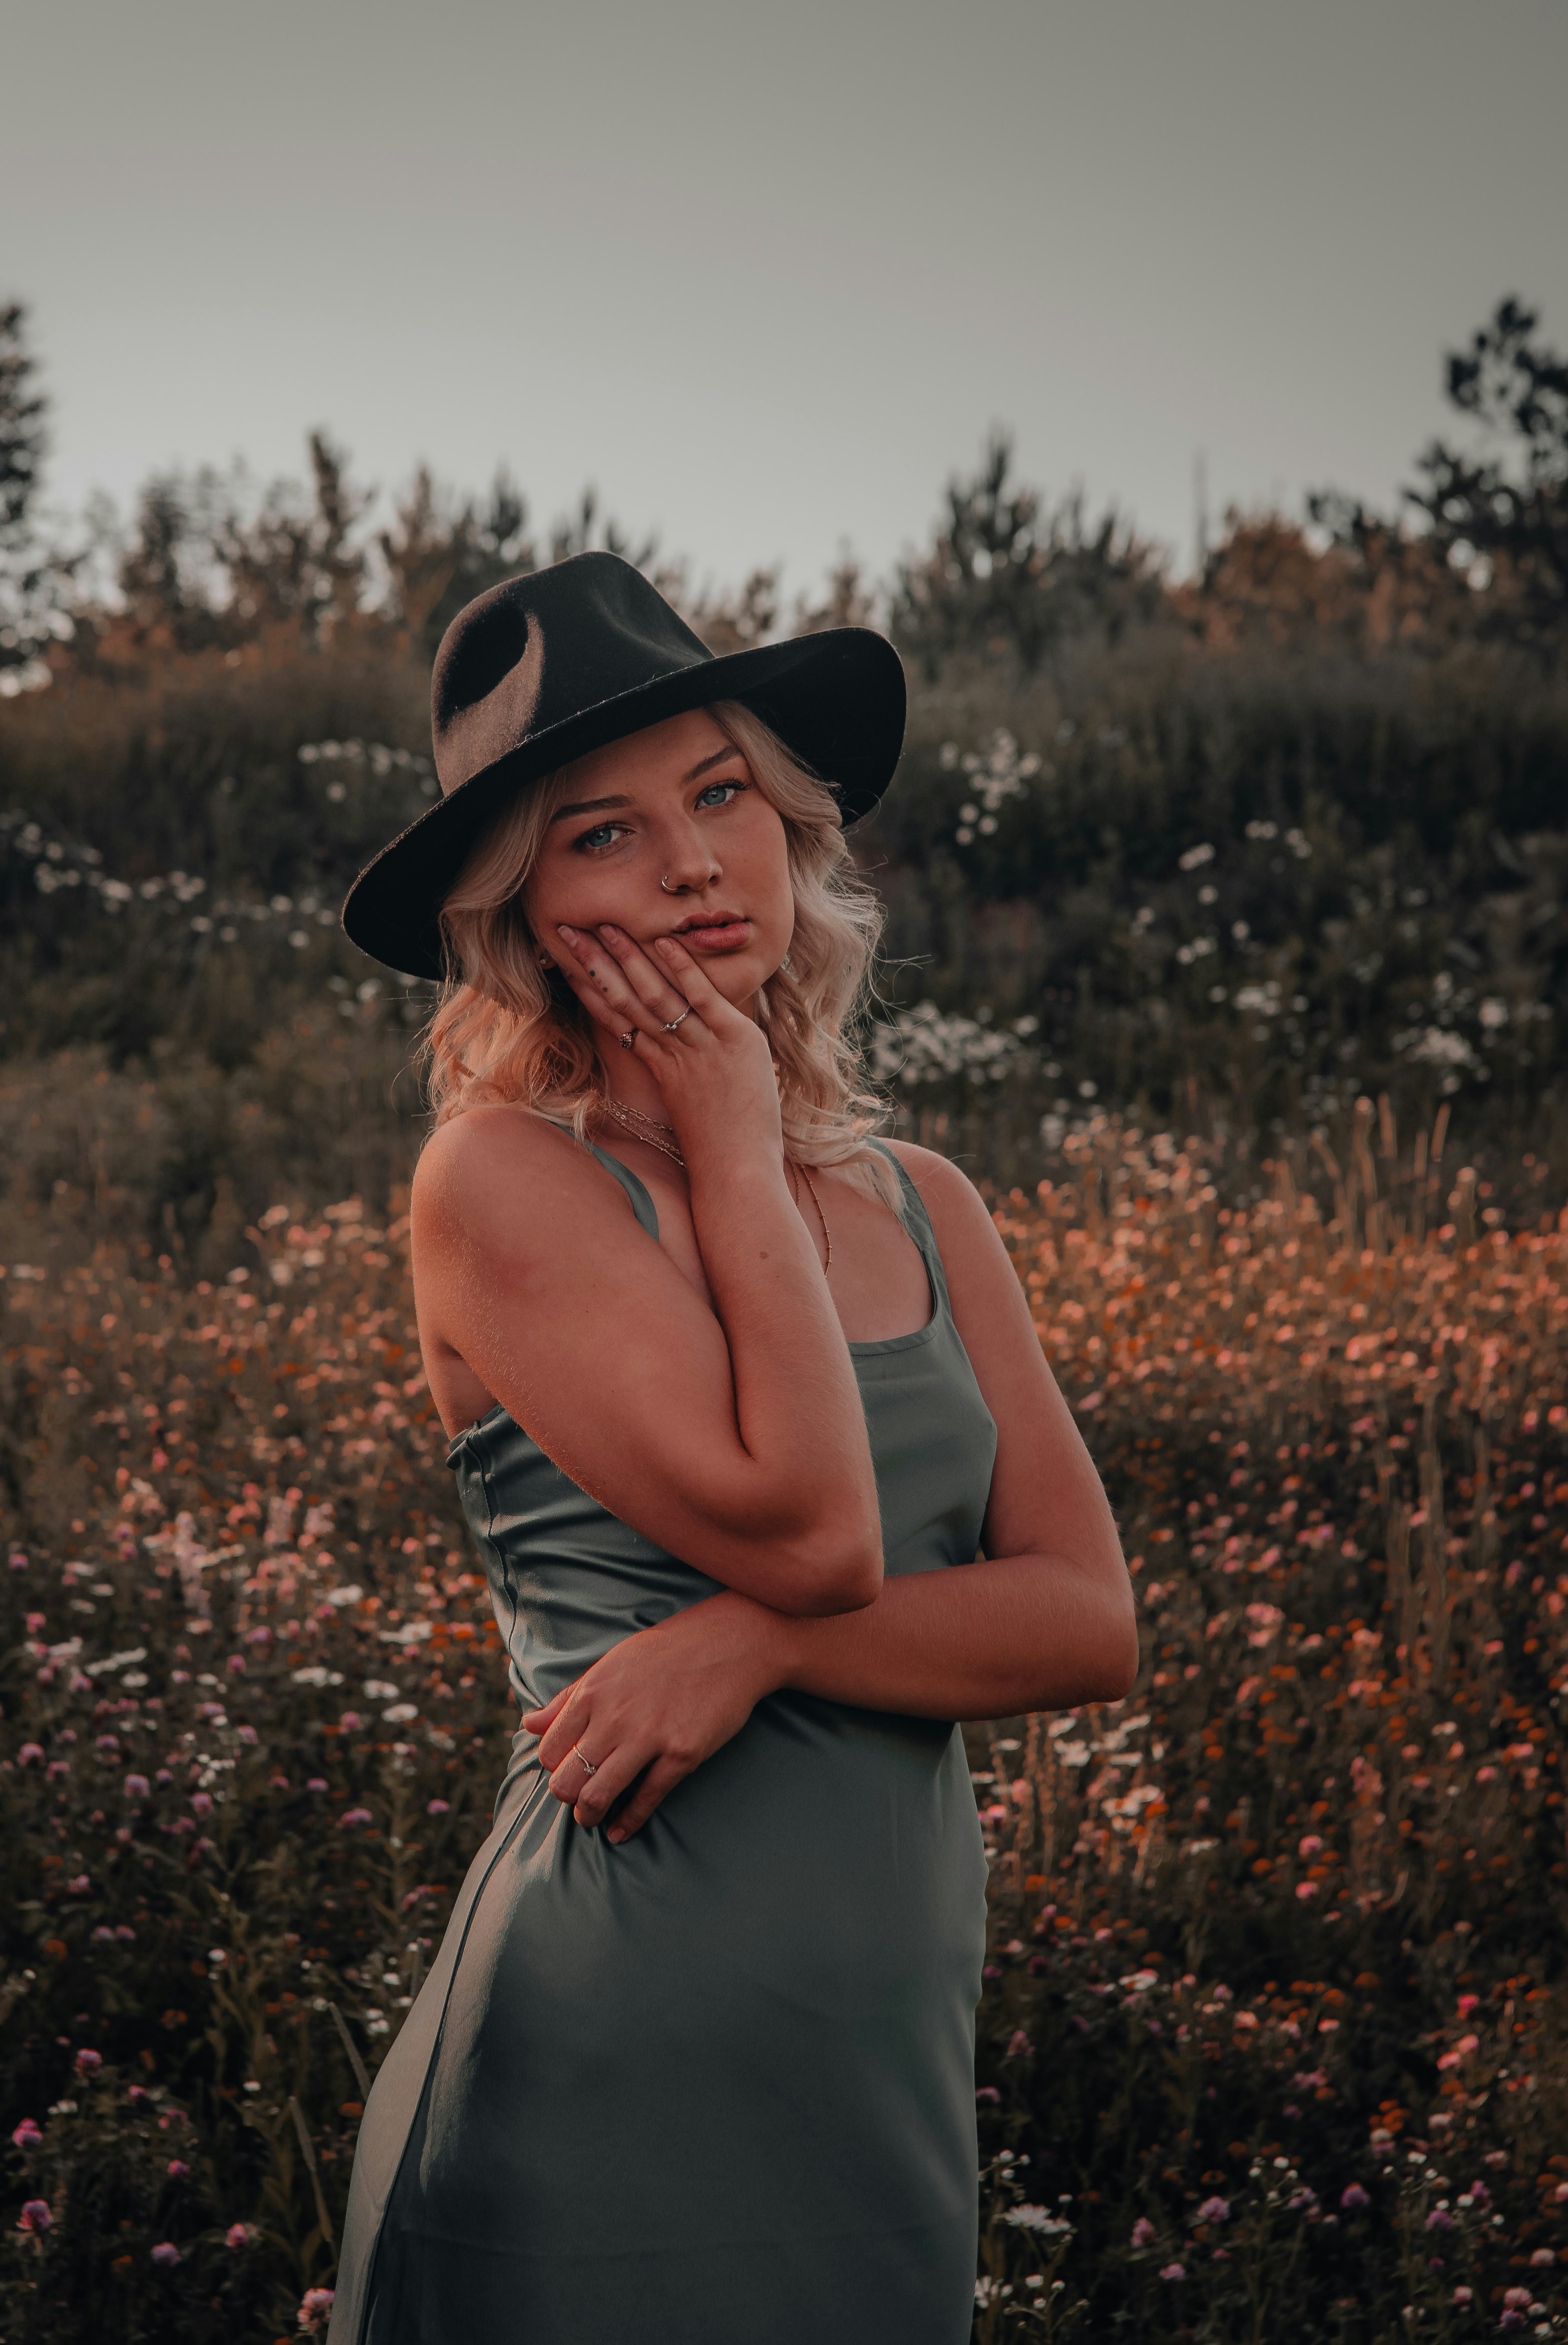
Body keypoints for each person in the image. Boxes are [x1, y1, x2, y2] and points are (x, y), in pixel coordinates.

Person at [328, 553, 1136, 2345]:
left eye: (723, 797)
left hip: (879, 2076)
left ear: (789, 830)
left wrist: (749, 1644)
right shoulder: (503, 1183)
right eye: (602, 833)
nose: (695, 860)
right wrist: (734, 1142)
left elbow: (1089, 1619)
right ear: (525, 910)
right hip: (608, 2039)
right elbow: (813, 1531)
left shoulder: (927, 1204)